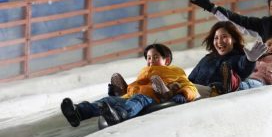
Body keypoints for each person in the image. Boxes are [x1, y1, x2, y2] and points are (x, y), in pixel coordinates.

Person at [60, 43, 198, 127]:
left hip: (155, 98)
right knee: (108, 101)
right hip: (135, 95)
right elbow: (135, 89)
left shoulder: (175, 71)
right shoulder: (143, 73)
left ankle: (120, 114)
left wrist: (183, 94)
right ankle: (79, 112)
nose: (151, 61)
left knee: (140, 99)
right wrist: (121, 93)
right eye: (149, 58)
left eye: (155, 57)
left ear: (166, 60)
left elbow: (189, 86)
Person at [188, 21, 267, 97]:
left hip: (213, 93)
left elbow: (244, 68)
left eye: (224, 37)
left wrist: (250, 60)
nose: (220, 41)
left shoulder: (238, 58)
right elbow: (190, 79)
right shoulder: (207, 59)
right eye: (216, 38)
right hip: (193, 92)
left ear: (234, 39)